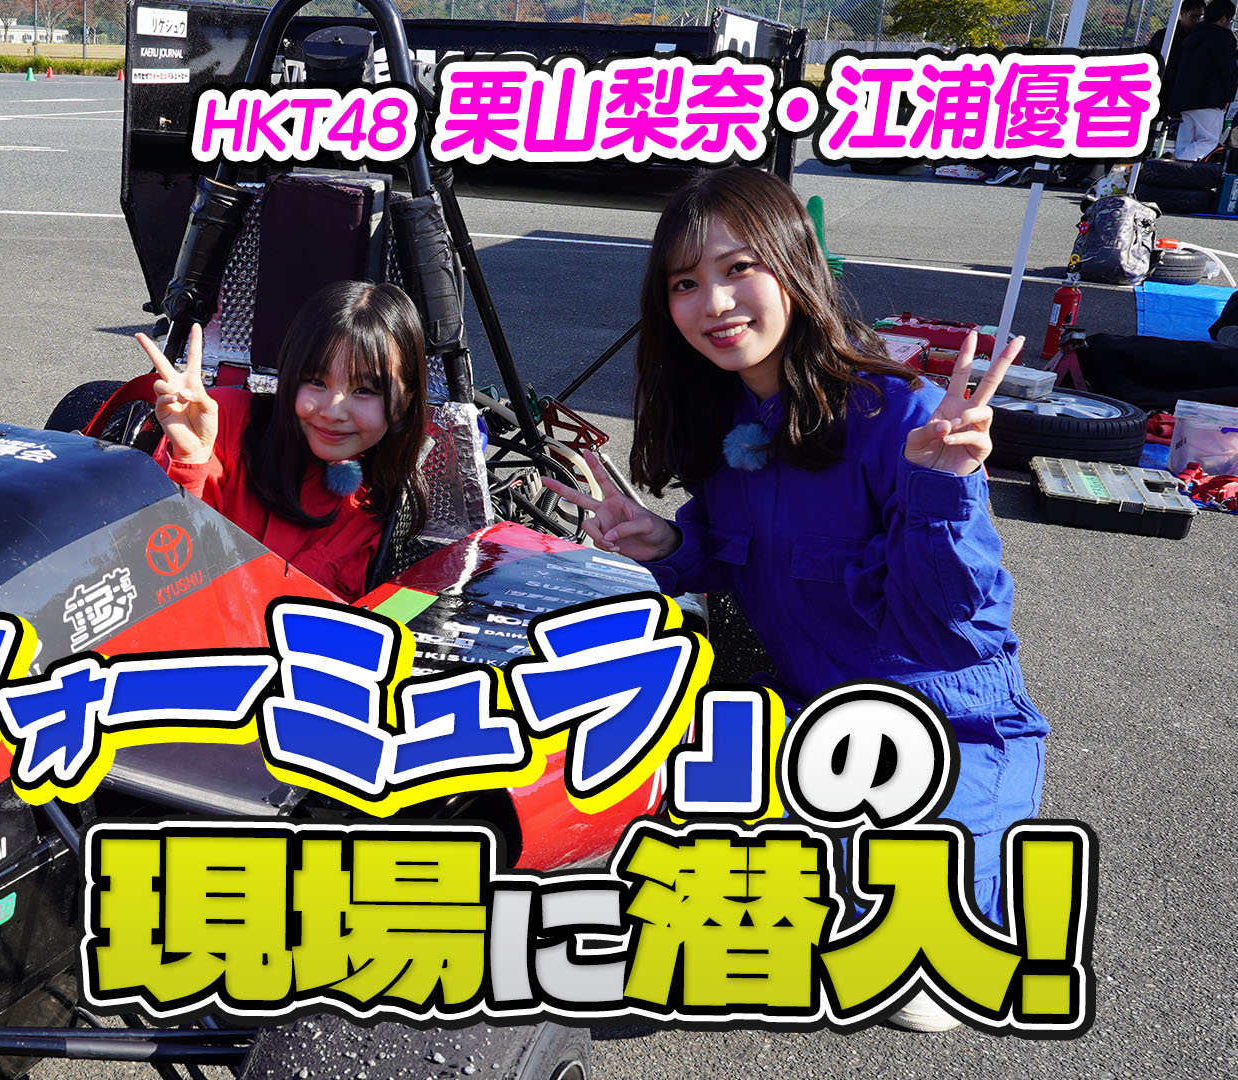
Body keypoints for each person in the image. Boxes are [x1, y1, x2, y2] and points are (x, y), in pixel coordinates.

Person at [544, 168, 1046, 1032]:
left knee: (919, 981)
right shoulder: (727, 415)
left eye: (739, 268)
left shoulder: (904, 418)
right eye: (685, 283)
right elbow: (735, 546)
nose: (714, 303)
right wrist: (669, 545)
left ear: (794, 266)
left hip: (948, 725)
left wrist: (942, 491)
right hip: (810, 715)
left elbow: (948, 618)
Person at [135, 280, 428, 602]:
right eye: (316, 381)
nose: (333, 411)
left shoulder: (377, 507)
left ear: (405, 400)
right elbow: (155, 569)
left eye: (365, 390)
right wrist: (191, 460)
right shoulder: (218, 422)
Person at [1166, 0, 1237, 159]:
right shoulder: (1223, 37)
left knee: (1185, 142)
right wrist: (1229, 95)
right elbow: (1228, 69)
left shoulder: (1193, 35)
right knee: (1209, 140)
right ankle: (1176, 164)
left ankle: (1172, 167)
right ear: (1224, 18)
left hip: (1184, 98)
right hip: (1209, 98)